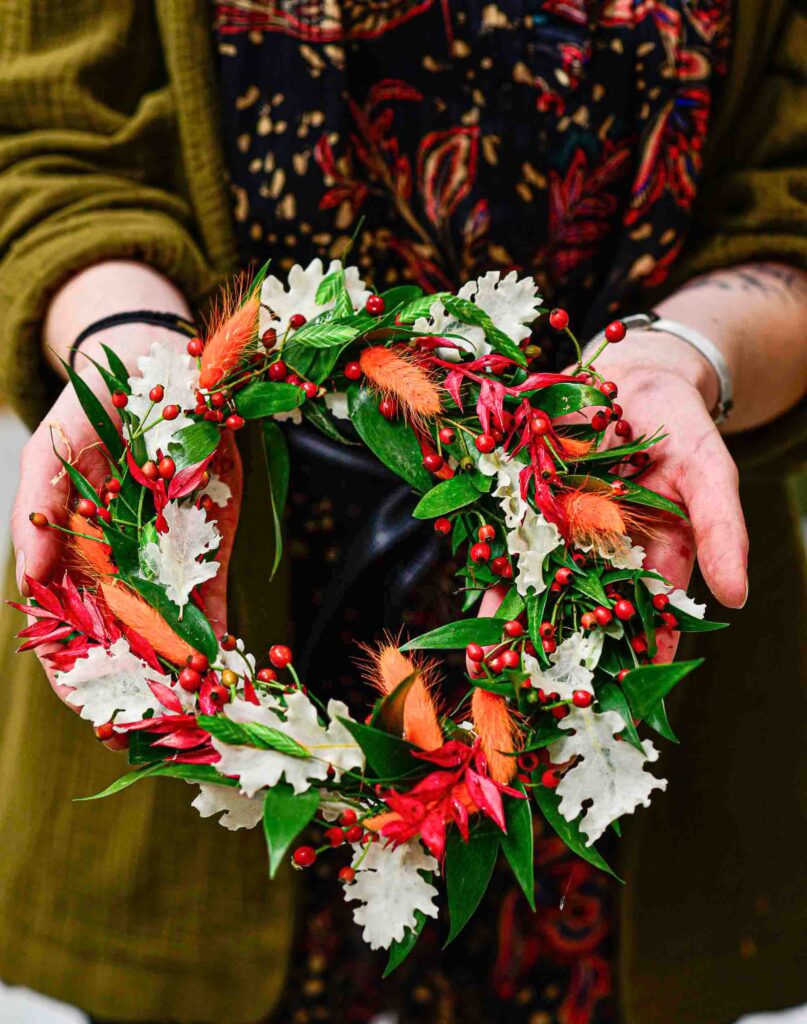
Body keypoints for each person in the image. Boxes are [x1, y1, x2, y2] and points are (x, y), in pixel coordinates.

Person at [0, 2, 804, 1023]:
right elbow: (51, 133)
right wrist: (136, 355)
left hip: (622, 606)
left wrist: (695, 357)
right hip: (222, 641)